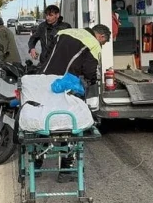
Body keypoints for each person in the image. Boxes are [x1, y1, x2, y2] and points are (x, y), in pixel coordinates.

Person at [41, 24, 111, 183]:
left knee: (44, 121)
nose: (102, 45)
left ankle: (37, 164)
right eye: (104, 42)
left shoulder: (64, 32)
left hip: (45, 81)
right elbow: (89, 71)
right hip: (65, 87)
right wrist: (90, 83)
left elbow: (45, 54)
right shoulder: (93, 43)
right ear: (100, 36)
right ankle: (66, 170)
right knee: (69, 126)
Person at [42, 24, 111, 86]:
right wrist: (93, 81)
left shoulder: (65, 31)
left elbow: (47, 52)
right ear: (102, 36)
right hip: (63, 82)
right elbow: (89, 70)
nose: (101, 45)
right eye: (102, 43)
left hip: (44, 74)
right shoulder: (94, 44)